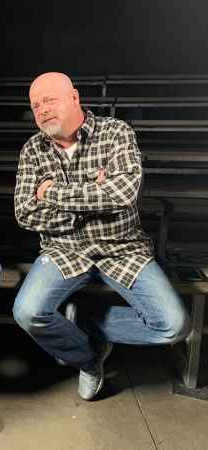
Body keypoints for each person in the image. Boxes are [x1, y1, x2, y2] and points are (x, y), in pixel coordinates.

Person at [13, 72, 190, 401]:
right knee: (27, 312)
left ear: (74, 98)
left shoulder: (115, 132)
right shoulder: (32, 150)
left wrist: (51, 192)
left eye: (49, 100)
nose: (42, 109)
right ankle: (89, 359)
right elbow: (25, 213)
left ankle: (86, 325)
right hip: (64, 250)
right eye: (36, 105)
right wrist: (94, 199)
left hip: (123, 248)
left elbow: (122, 194)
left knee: (174, 325)